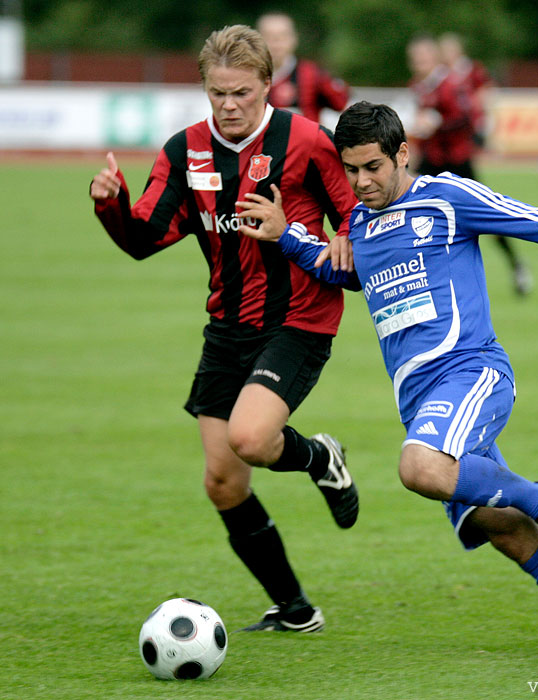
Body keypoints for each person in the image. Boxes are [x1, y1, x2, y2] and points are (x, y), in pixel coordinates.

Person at [236, 101, 538, 657]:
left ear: (401, 155)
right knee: (502, 527)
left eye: (373, 167)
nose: (361, 182)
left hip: (473, 374)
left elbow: (534, 220)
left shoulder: (446, 198)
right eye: (351, 170)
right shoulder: (362, 225)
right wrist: (287, 236)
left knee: (418, 467)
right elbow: (346, 273)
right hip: (422, 403)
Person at [88, 25, 359, 634]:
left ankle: (319, 456)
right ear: (205, 90)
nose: (229, 105)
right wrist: (111, 202)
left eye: (241, 92)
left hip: (299, 318)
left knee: (252, 438)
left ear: (268, 84)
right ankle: (295, 609)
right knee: (222, 480)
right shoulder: (184, 152)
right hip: (226, 325)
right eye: (218, 94)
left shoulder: (308, 142)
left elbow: (357, 219)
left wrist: (323, 233)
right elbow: (142, 239)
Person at [407, 34, 532, 296]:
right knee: (414, 213)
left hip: (457, 161)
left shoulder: (450, 84)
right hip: (433, 162)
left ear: (434, 58)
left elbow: (465, 119)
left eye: (424, 58)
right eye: (415, 59)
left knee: (487, 215)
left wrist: (438, 122)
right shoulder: (419, 87)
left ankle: (517, 266)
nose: (419, 64)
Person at [257, 12, 350, 123]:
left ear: (294, 39)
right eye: (269, 36)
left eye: (282, 36)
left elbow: (347, 108)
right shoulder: (247, 76)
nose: (276, 42)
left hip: (305, 140)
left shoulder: (312, 74)